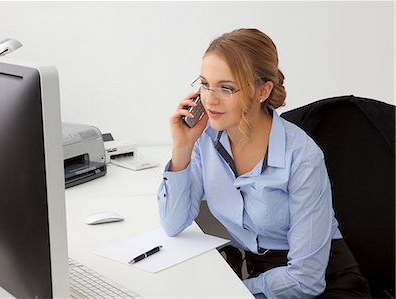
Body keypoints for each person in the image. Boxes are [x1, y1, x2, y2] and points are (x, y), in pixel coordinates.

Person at [157, 28, 370, 298]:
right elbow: (173, 223)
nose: (209, 99)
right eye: (205, 84)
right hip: (264, 278)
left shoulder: (302, 156)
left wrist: (233, 291)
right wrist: (182, 147)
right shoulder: (205, 139)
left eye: (226, 88)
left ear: (263, 90)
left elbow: (307, 281)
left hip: (325, 282)